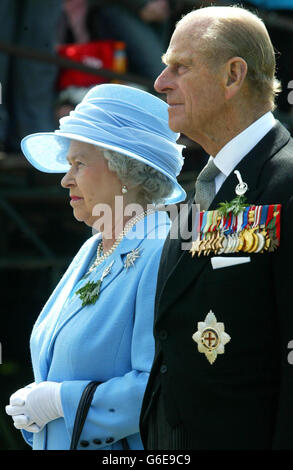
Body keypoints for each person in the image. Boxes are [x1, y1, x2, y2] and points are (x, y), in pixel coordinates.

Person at [140, 5, 293, 450]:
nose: (161, 82)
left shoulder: (285, 182)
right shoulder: (205, 188)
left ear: (232, 76)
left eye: (180, 67)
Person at [5, 83, 186, 450]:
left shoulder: (160, 250)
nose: (65, 179)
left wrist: (62, 401)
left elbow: (161, 385)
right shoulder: (92, 246)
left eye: (79, 164)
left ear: (127, 172)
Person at [87, 0, 178, 80]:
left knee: (166, 74)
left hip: (160, 9)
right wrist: (143, 4)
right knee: (163, 75)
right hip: (118, 7)